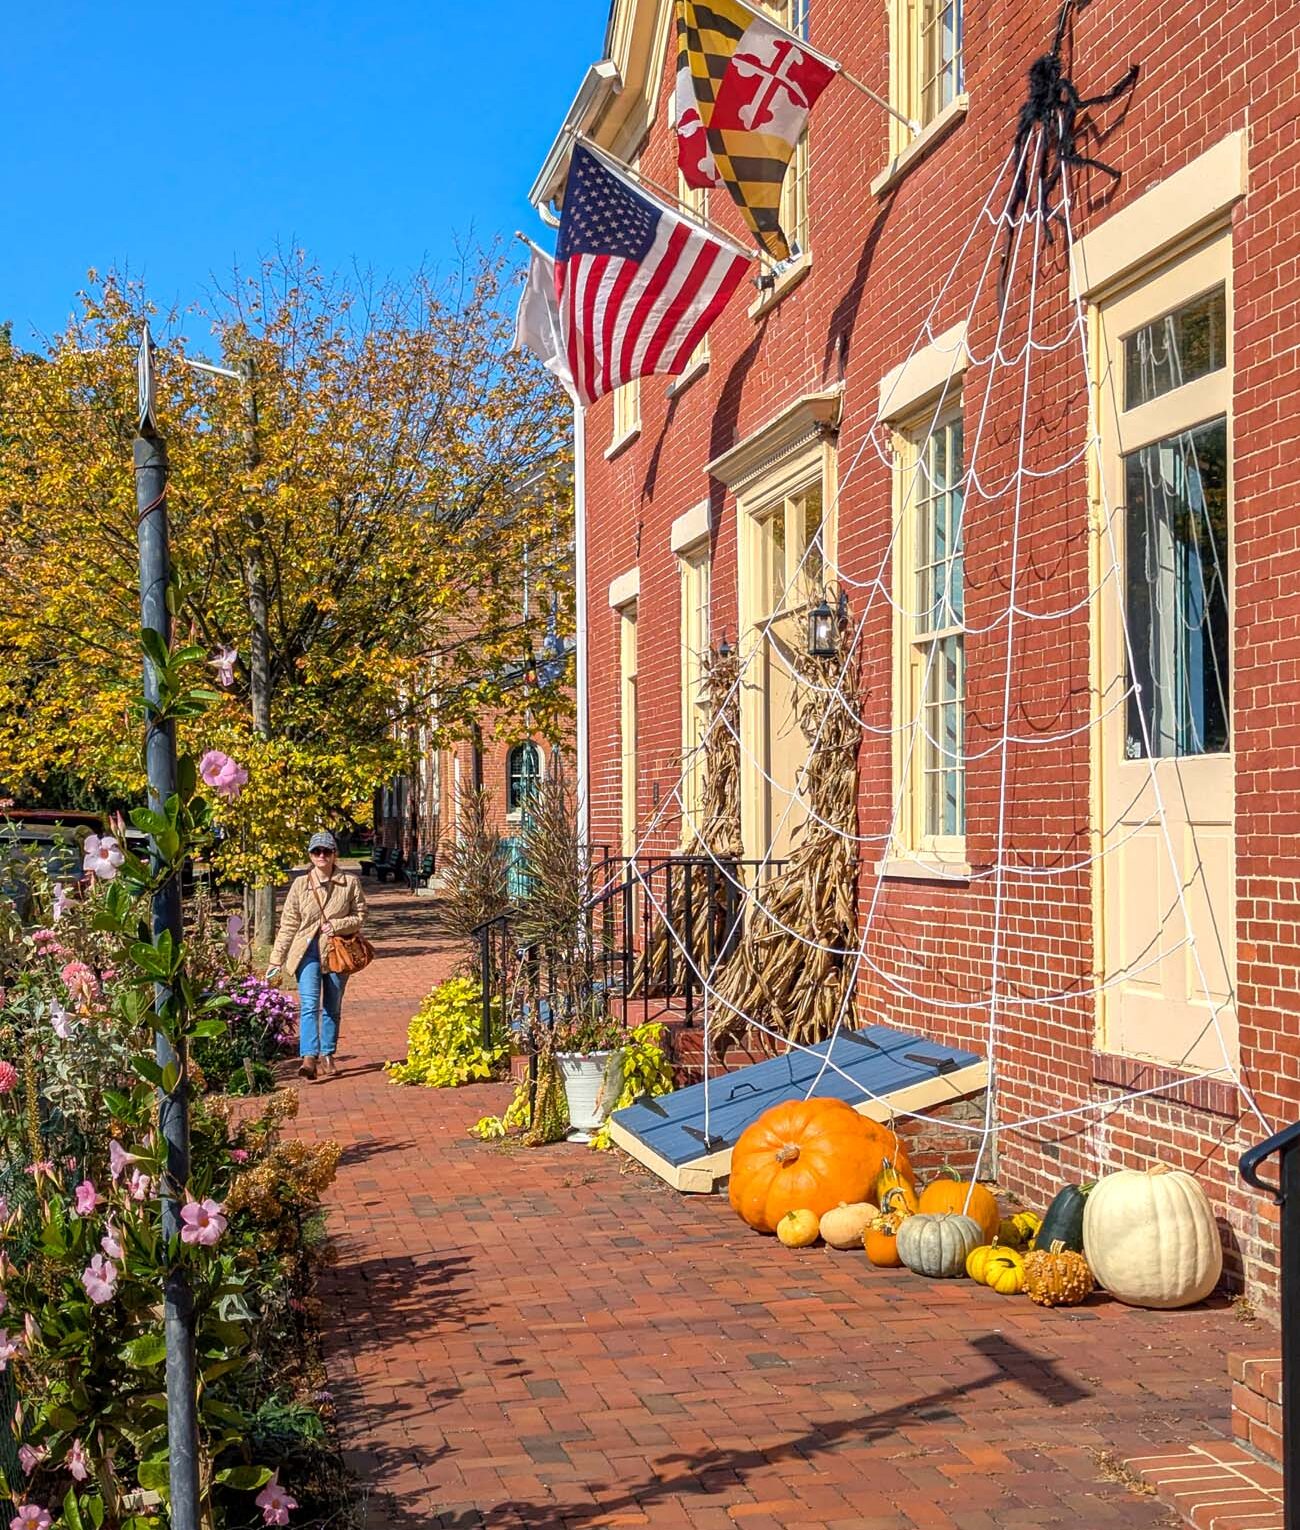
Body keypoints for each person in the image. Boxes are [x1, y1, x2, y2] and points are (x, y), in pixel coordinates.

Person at [266, 831, 367, 1079]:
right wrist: (275, 960)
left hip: (337, 951)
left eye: (326, 851)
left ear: (335, 854)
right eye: (316, 851)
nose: (321, 856)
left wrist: (338, 925)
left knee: (332, 1005)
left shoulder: (350, 883)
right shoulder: (301, 885)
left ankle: (328, 1053)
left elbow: (360, 916)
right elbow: (289, 923)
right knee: (310, 1004)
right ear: (310, 855)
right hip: (306, 951)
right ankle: (309, 1057)